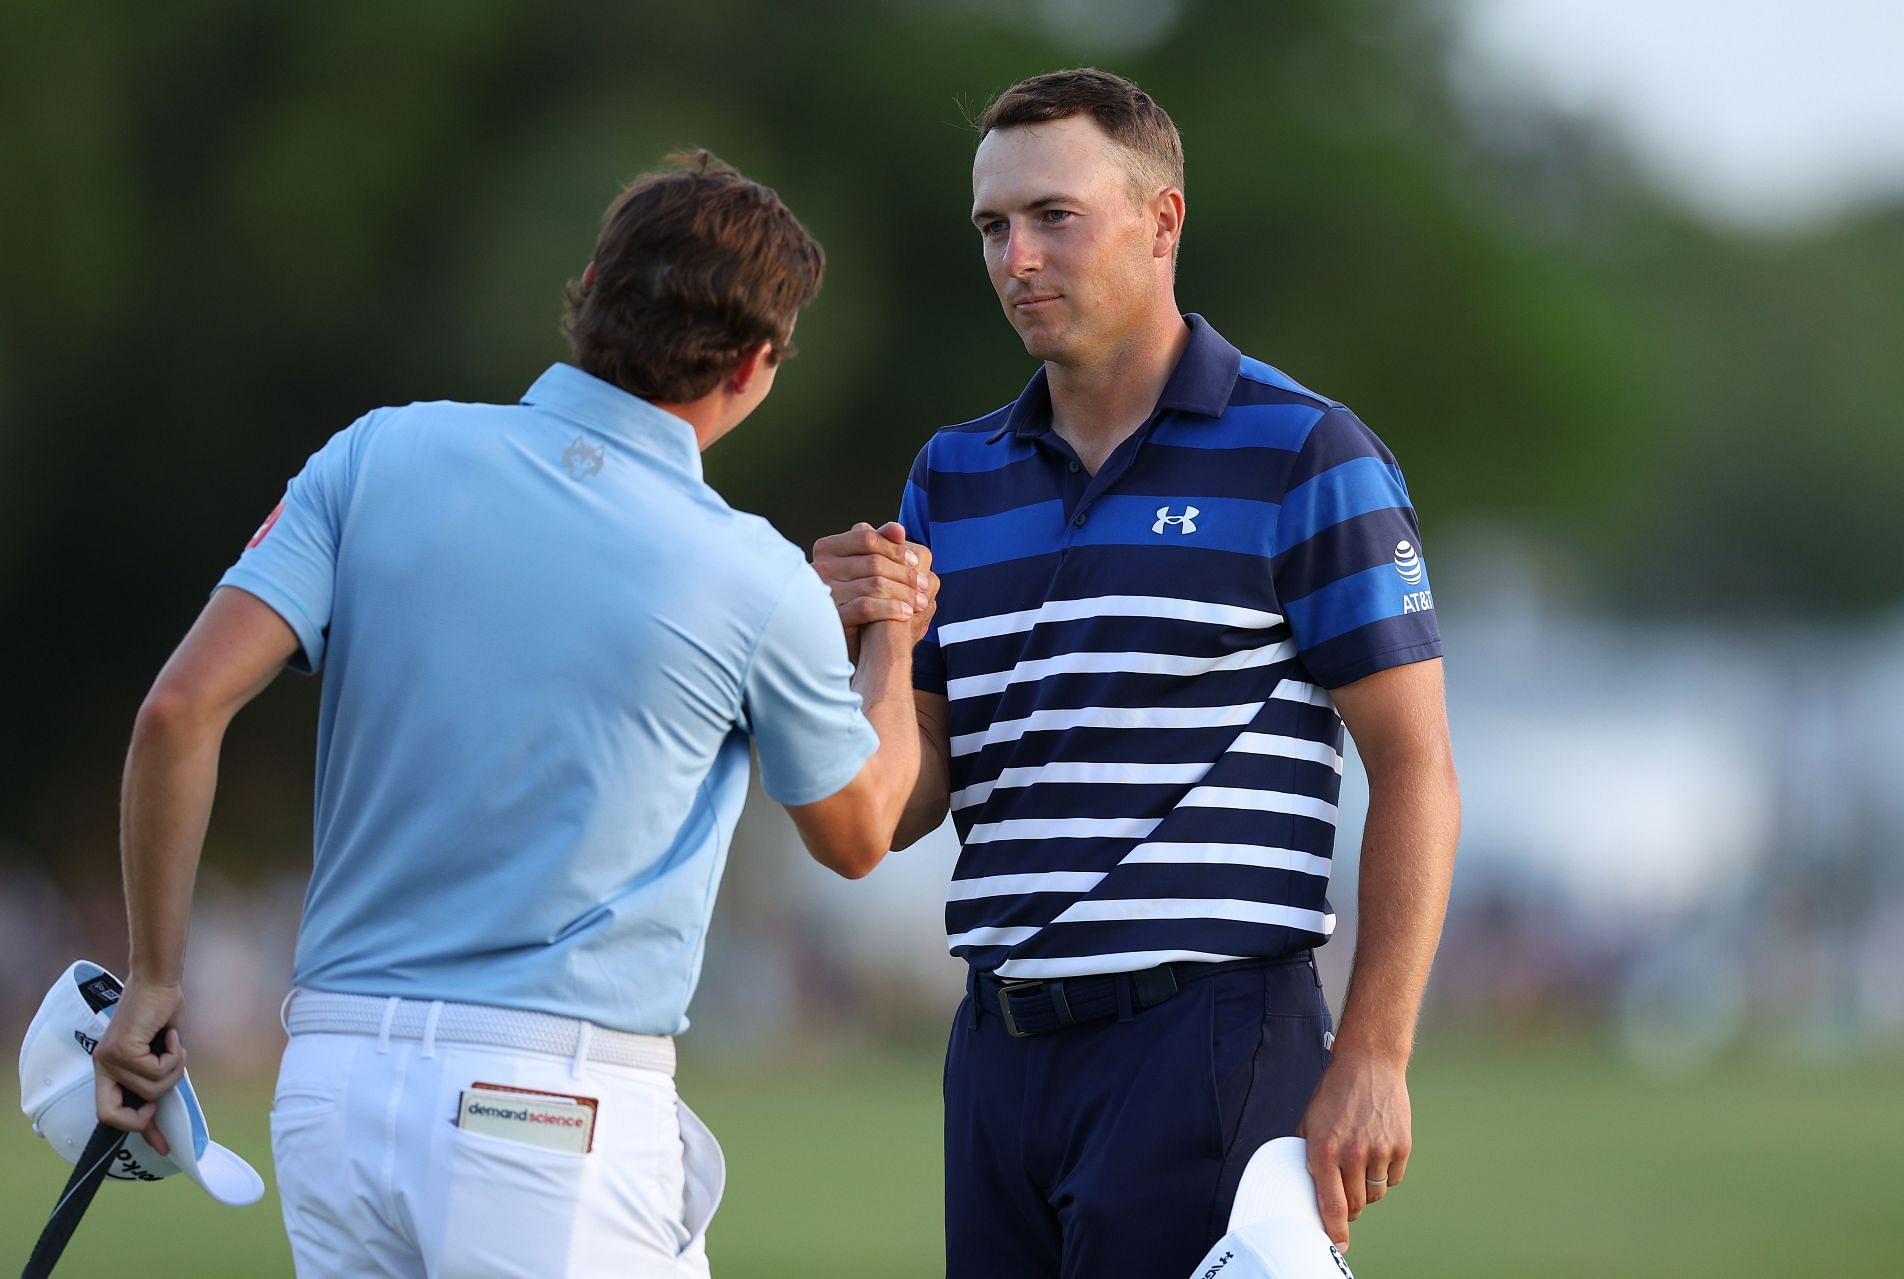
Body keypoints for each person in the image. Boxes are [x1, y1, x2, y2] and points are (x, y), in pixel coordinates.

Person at [90, 150, 926, 1278]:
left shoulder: (377, 452)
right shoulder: (754, 575)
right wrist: (894, 635)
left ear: (588, 284)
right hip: (547, 1107)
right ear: (757, 360)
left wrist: (153, 978)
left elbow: (178, 712)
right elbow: (862, 828)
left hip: (331, 1083)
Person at [812, 69, 1460, 1276]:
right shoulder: (951, 477)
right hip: (998, 1048)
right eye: (993, 227)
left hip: (1206, 1039)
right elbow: (904, 804)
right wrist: (878, 644)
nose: (1017, 258)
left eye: (1054, 216)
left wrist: (1375, 1054)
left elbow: (1416, 766)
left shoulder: (1306, 451)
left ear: (1163, 221)